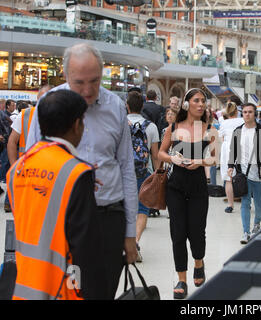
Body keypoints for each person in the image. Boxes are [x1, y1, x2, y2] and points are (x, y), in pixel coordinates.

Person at [25, 43, 138, 299]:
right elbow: (32, 162)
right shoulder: (48, 105)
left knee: (103, 291)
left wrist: (130, 234)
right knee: (63, 291)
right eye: (79, 83)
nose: (88, 91)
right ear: (66, 77)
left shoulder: (116, 107)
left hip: (107, 217)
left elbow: (126, 169)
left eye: (94, 81)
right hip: (61, 221)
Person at [7, 89, 107, 300]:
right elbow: (87, 251)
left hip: (24, 287)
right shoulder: (76, 172)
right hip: (62, 290)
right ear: (76, 125)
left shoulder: (17, 169)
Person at [158, 88, 218, 299]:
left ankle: (199, 262)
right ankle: (181, 280)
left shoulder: (209, 129)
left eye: (203, 101)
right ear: (187, 104)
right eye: (196, 100)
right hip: (175, 186)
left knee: (197, 232)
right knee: (178, 234)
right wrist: (173, 159)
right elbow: (161, 152)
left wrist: (199, 162)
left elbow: (214, 159)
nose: (201, 104)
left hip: (198, 186)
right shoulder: (173, 127)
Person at [227, 103, 261, 244]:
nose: (246, 114)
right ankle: (246, 232)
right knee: (245, 202)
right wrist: (230, 166)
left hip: (259, 172)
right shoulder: (238, 131)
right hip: (243, 172)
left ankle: (257, 225)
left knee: (259, 204)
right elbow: (233, 151)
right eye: (244, 112)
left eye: (249, 112)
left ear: (255, 114)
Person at [126, 91, 160, 262]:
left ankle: (125, 243)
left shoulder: (120, 123)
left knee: (125, 209)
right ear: (142, 107)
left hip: (123, 173)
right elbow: (155, 154)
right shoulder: (151, 126)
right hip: (143, 173)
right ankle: (136, 241)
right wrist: (157, 174)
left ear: (127, 105)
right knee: (142, 209)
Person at [218, 102, 244, 213]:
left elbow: (222, 139)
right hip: (241, 148)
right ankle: (247, 202)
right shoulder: (243, 121)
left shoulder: (223, 123)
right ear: (237, 111)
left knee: (228, 179)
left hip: (227, 150)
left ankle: (230, 205)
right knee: (244, 177)